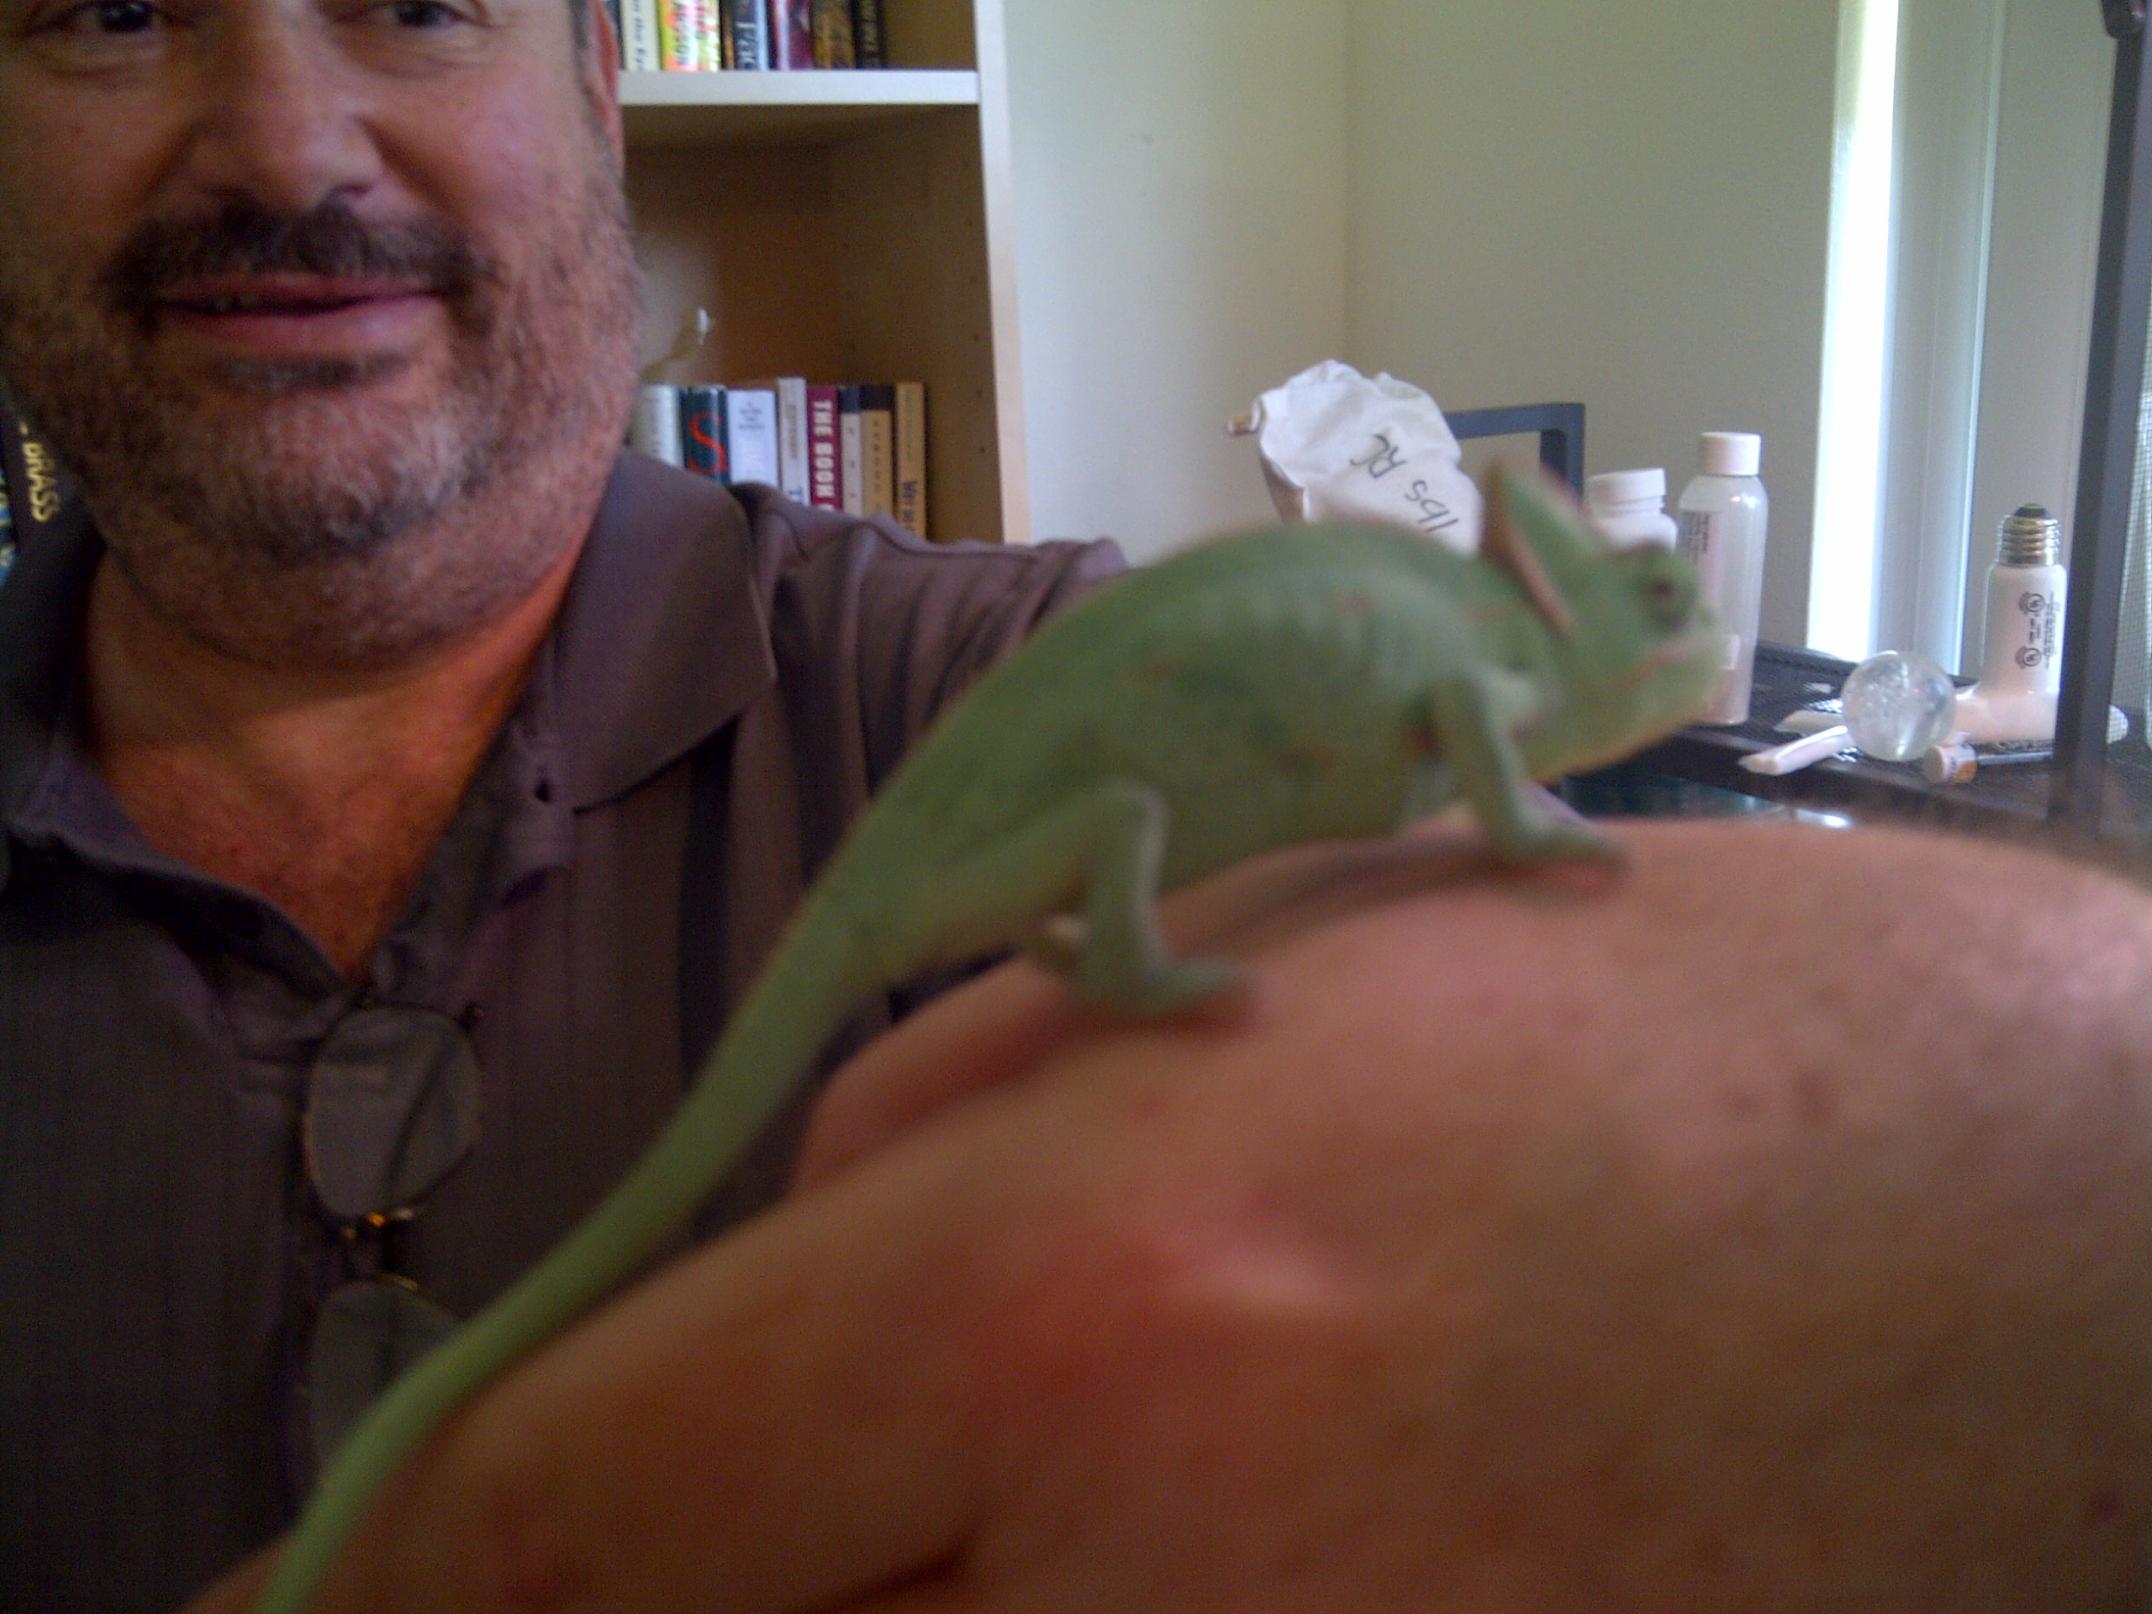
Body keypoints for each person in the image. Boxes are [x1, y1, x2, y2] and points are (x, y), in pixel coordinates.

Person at [0, 0, 1116, 1606]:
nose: (284, 150)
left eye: (418, 5)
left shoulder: (1016, 691)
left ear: (601, 84)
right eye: (115, 11)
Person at [176, 815, 2152, 1613]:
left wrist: (2053, 1145)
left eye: (423, 42)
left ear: (599, 88)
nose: (291, 124)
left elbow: (1402, 873)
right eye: (105, 50)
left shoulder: (922, 633)